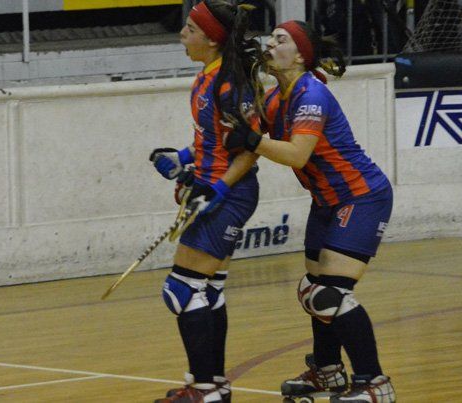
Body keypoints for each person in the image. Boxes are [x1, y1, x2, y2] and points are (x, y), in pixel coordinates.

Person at [224, 20, 396, 402]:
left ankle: (374, 383)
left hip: (360, 197)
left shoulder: (311, 94)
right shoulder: (276, 99)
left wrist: (252, 138)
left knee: (328, 294)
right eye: (270, 37)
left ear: (300, 55)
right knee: (313, 290)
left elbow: (297, 154)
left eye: (280, 39)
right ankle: (327, 371)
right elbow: (246, 142)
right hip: (326, 202)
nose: (270, 43)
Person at [148, 2, 266, 402]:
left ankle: (204, 390)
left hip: (229, 194)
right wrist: (182, 158)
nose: (182, 34)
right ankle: (213, 384)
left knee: (181, 289)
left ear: (212, 39)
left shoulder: (230, 84)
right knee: (209, 289)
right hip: (215, 189)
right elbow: (213, 139)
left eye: (191, 28)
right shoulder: (207, 77)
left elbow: (249, 151)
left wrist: (217, 189)